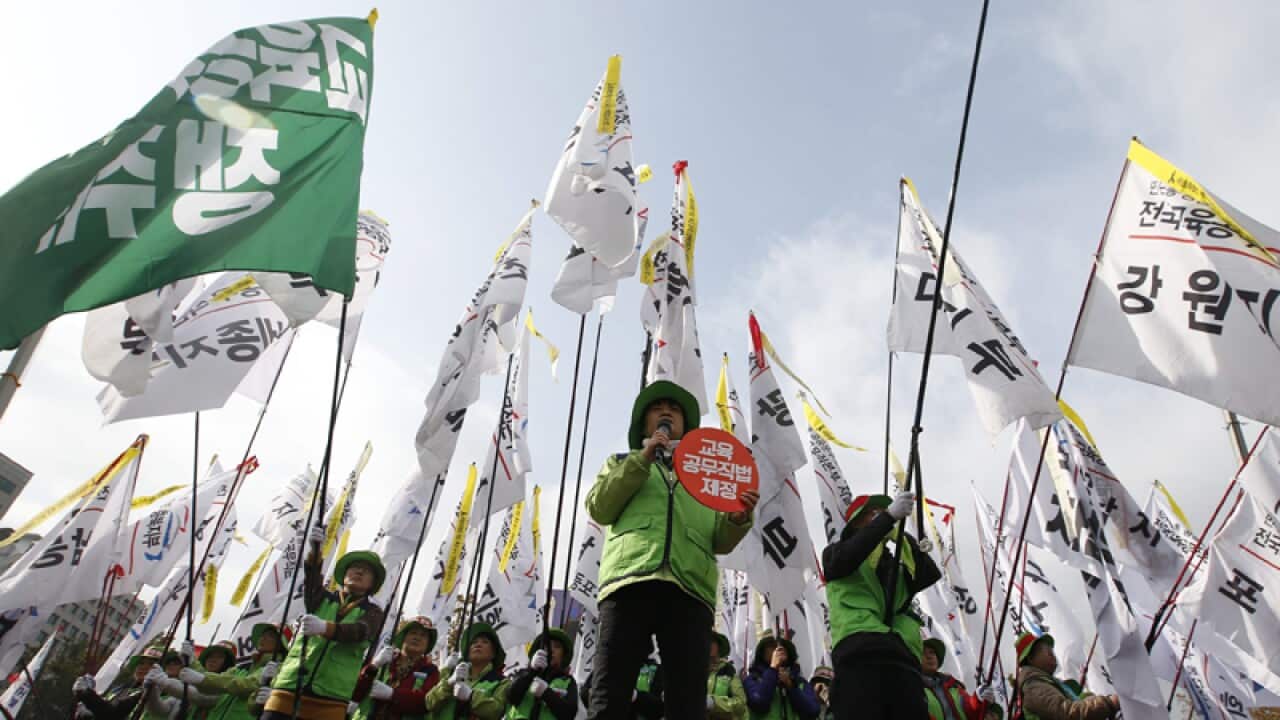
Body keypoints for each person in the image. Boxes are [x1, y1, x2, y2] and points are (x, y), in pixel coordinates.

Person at [585, 380, 759, 719]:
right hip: (630, 580)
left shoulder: (707, 475)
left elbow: (720, 539)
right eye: (657, 407)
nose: (667, 412)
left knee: (687, 697)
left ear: (687, 425)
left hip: (690, 587)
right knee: (611, 689)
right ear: (644, 423)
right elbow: (599, 507)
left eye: (675, 409)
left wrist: (739, 518)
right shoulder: (622, 462)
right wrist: (643, 459)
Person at [822, 492, 941, 720]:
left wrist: (910, 542)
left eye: (881, 512)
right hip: (858, 650)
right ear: (855, 523)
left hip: (898, 654)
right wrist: (887, 518)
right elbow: (851, 553)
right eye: (871, 513)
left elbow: (927, 575)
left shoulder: (890, 568)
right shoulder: (836, 553)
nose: (879, 516)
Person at [262, 524, 387, 720]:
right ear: (344, 575)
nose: (359, 572)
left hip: (330, 698)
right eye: (355, 568)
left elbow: (360, 632)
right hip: (289, 686)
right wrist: (315, 550)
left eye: (366, 571)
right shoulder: (322, 598)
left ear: (372, 584)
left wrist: (324, 627)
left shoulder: (374, 612)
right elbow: (311, 580)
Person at [351, 616, 440, 720]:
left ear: (428, 644)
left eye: (423, 635)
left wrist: (393, 695)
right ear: (403, 637)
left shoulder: (431, 671)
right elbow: (355, 693)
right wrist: (374, 665)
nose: (417, 637)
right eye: (413, 633)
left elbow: (426, 702)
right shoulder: (384, 659)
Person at [1013, 634, 1118, 720]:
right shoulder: (1034, 688)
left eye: (1051, 650)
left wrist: (1085, 698)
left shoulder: (1042, 683)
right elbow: (1068, 713)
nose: (1052, 654)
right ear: (1031, 658)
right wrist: (1109, 703)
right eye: (1046, 651)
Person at [423, 622, 508, 720]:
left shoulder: (501, 682)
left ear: (493, 653)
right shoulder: (452, 674)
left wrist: (471, 696)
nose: (478, 644)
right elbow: (428, 703)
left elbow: (497, 711)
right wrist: (449, 683)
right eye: (474, 642)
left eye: (485, 642)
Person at [504, 627, 579, 720]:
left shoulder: (568, 681)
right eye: (547, 646)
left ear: (563, 655)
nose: (551, 650)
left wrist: (547, 693)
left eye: (557, 646)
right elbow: (511, 697)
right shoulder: (522, 673)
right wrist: (531, 671)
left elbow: (569, 714)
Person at [742, 634, 820, 720]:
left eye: (783, 646)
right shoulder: (752, 679)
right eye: (772, 646)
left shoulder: (800, 682)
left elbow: (813, 711)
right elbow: (759, 703)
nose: (779, 649)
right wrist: (773, 669)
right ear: (762, 653)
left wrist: (791, 686)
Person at [920, 637, 994, 720]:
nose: (929, 656)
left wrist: (978, 699)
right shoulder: (911, 687)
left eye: (932, 652)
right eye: (923, 653)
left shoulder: (953, 686)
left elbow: (970, 710)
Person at [705, 632, 746, 720]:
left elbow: (741, 704)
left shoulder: (728, 672)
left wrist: (714, 703)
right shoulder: (691, 673)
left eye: (713, 642)